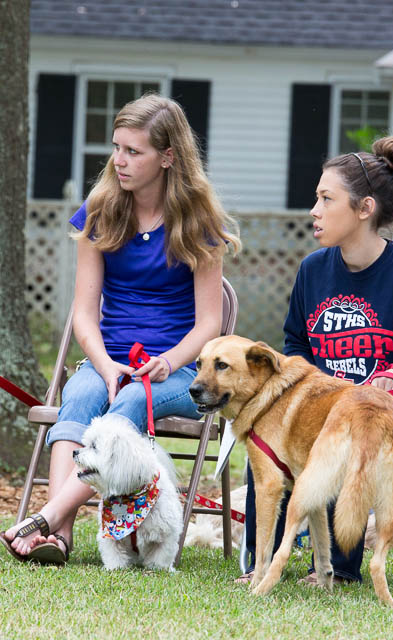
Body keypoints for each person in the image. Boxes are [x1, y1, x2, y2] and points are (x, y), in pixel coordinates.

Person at [1, 93, 240, 564]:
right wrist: (105, 364)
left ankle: (44, 516)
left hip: (175, 370)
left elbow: (209, 323)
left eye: (134, 151)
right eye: (117, 148)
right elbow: (84, 314)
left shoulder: (197, 221)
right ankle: (59, 536)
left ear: (168, 157)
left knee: (130, 399)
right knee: (82, 396)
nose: (120, 161)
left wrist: (168, 361)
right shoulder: (101, 209)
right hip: (107, 355)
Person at [238, 135, 393, 585]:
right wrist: (313, 385)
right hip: (332, 407)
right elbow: (295, 343)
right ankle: (261, 561)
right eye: (316, 198)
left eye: (326, 199)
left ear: (364, 209)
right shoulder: (313, 270)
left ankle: (338, 570)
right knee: (264, 430)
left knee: (352, 428)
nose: (314, 210)